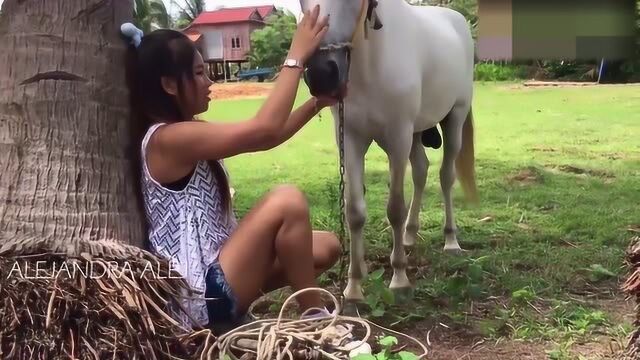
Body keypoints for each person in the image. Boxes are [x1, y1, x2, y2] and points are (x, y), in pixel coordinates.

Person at [121, 5, 341, 333]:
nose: (209, 81)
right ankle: (316, 318)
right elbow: (263, 129)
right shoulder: (168, 139)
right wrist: (295, 56)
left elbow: (269, 136)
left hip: (217, 273)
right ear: (168, 85)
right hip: (196, 299)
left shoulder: (186, 132)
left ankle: (240, 313)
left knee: (326, 247)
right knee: (286, 199)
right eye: (198, 74)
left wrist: (318, 103)